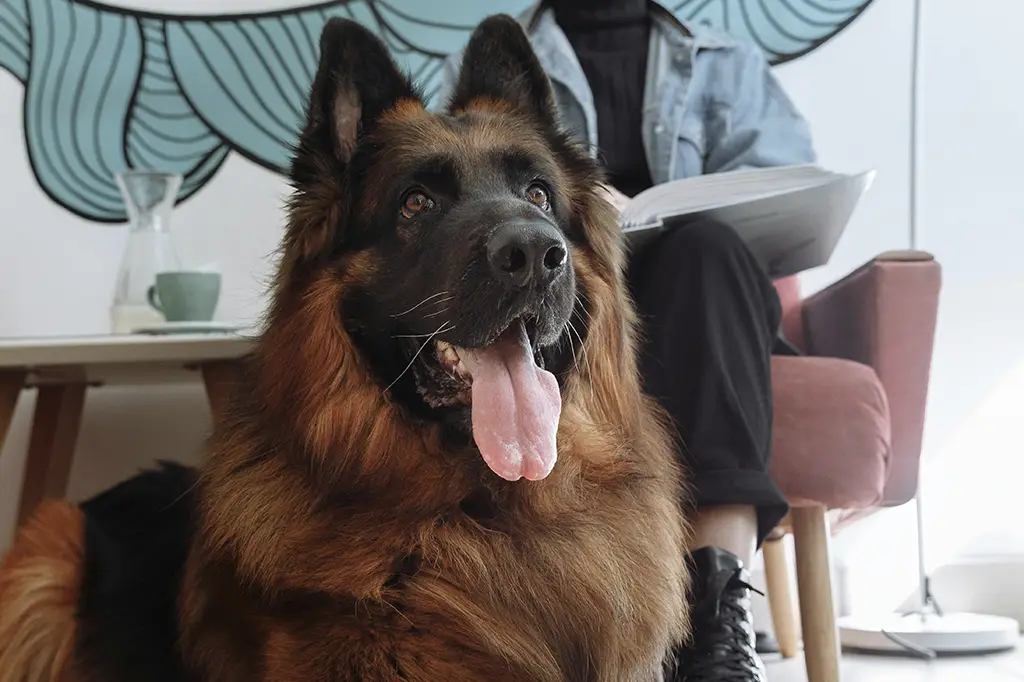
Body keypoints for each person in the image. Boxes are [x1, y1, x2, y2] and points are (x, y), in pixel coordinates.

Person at [441, 2, 816, 680]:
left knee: (707, 253)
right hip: (578, 305)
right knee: (598, 280)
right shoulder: (495, 67)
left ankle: (716, 623)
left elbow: (787, 187)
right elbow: (464, 197)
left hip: (709, 303)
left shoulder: (725, 64)